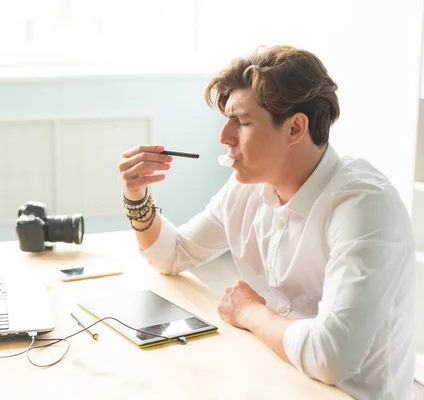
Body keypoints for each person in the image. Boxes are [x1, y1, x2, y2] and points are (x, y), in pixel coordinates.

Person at [118, 45, 415, 399]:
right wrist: (136, 195)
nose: (224, 136)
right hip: (271, 375)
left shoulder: (364, 205)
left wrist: (251, 313)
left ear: (294, 128)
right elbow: (173, 255)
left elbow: (331, 357)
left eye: (242, 123)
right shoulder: (246, 188)